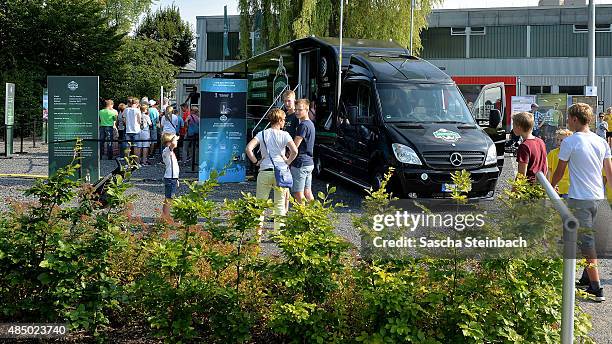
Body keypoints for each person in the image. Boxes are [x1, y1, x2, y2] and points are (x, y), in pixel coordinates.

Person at [551, 103, 612, 303]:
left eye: (569, 118)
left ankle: (597, 288)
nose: (567, 121)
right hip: (599, 198)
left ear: (575, 119)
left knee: (587, 245)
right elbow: (609, 174)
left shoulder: (570, 142)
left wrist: (551, 186)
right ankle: (587, 279)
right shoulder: (601, 141)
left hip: (580, 199)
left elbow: (560, 171)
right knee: (593, 240)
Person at [245, 108, 298, 232]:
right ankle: (278, 235)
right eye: (284, 120)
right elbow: (295, 151)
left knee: (260, 204)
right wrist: (287, 162)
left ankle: (257, 235)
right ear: (279, 120)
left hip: (265, 171)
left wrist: (256, 162)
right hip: (281, 172)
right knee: (279, 204)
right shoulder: (285, 135)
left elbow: (248, 149)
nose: (284, 122)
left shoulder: (262, 134)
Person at [291, 99, 316, 203]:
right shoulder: (311, 124)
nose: (297, 112)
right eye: (296, 109)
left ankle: (302, 217)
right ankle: (314, 215)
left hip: (300, 163)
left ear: (307, 110)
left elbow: (294, 146)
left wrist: (288, 160)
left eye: (300, 110)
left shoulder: (303, 125)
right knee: (307, 192)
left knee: (298, 193)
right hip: (309, 162)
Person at [512, 111, 547, 183]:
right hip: (541, 184)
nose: (512, 128)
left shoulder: (524, 146)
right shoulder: (540, 141)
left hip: (529, 187)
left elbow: (521, 175)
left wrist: (514, 192)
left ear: (518, 127)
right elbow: (545, 164)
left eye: (513, 125)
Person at [547, 129, 572, 198]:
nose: (558, 142)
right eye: (557, 140)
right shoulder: (552, 153)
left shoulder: (571, 154)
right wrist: (549, 186)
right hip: (555, 188)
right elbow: (549, 170)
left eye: (561, 140)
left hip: (568, 189)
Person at [161, 132, 180, 219]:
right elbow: (174, 144)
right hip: (170, 178)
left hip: (172, 177)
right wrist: (175, 138)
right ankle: (166, 217)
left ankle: (165, 215)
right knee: (169, 199)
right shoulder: (167, 150)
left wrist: (177, 179)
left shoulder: (169, 151)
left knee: (168, 198)